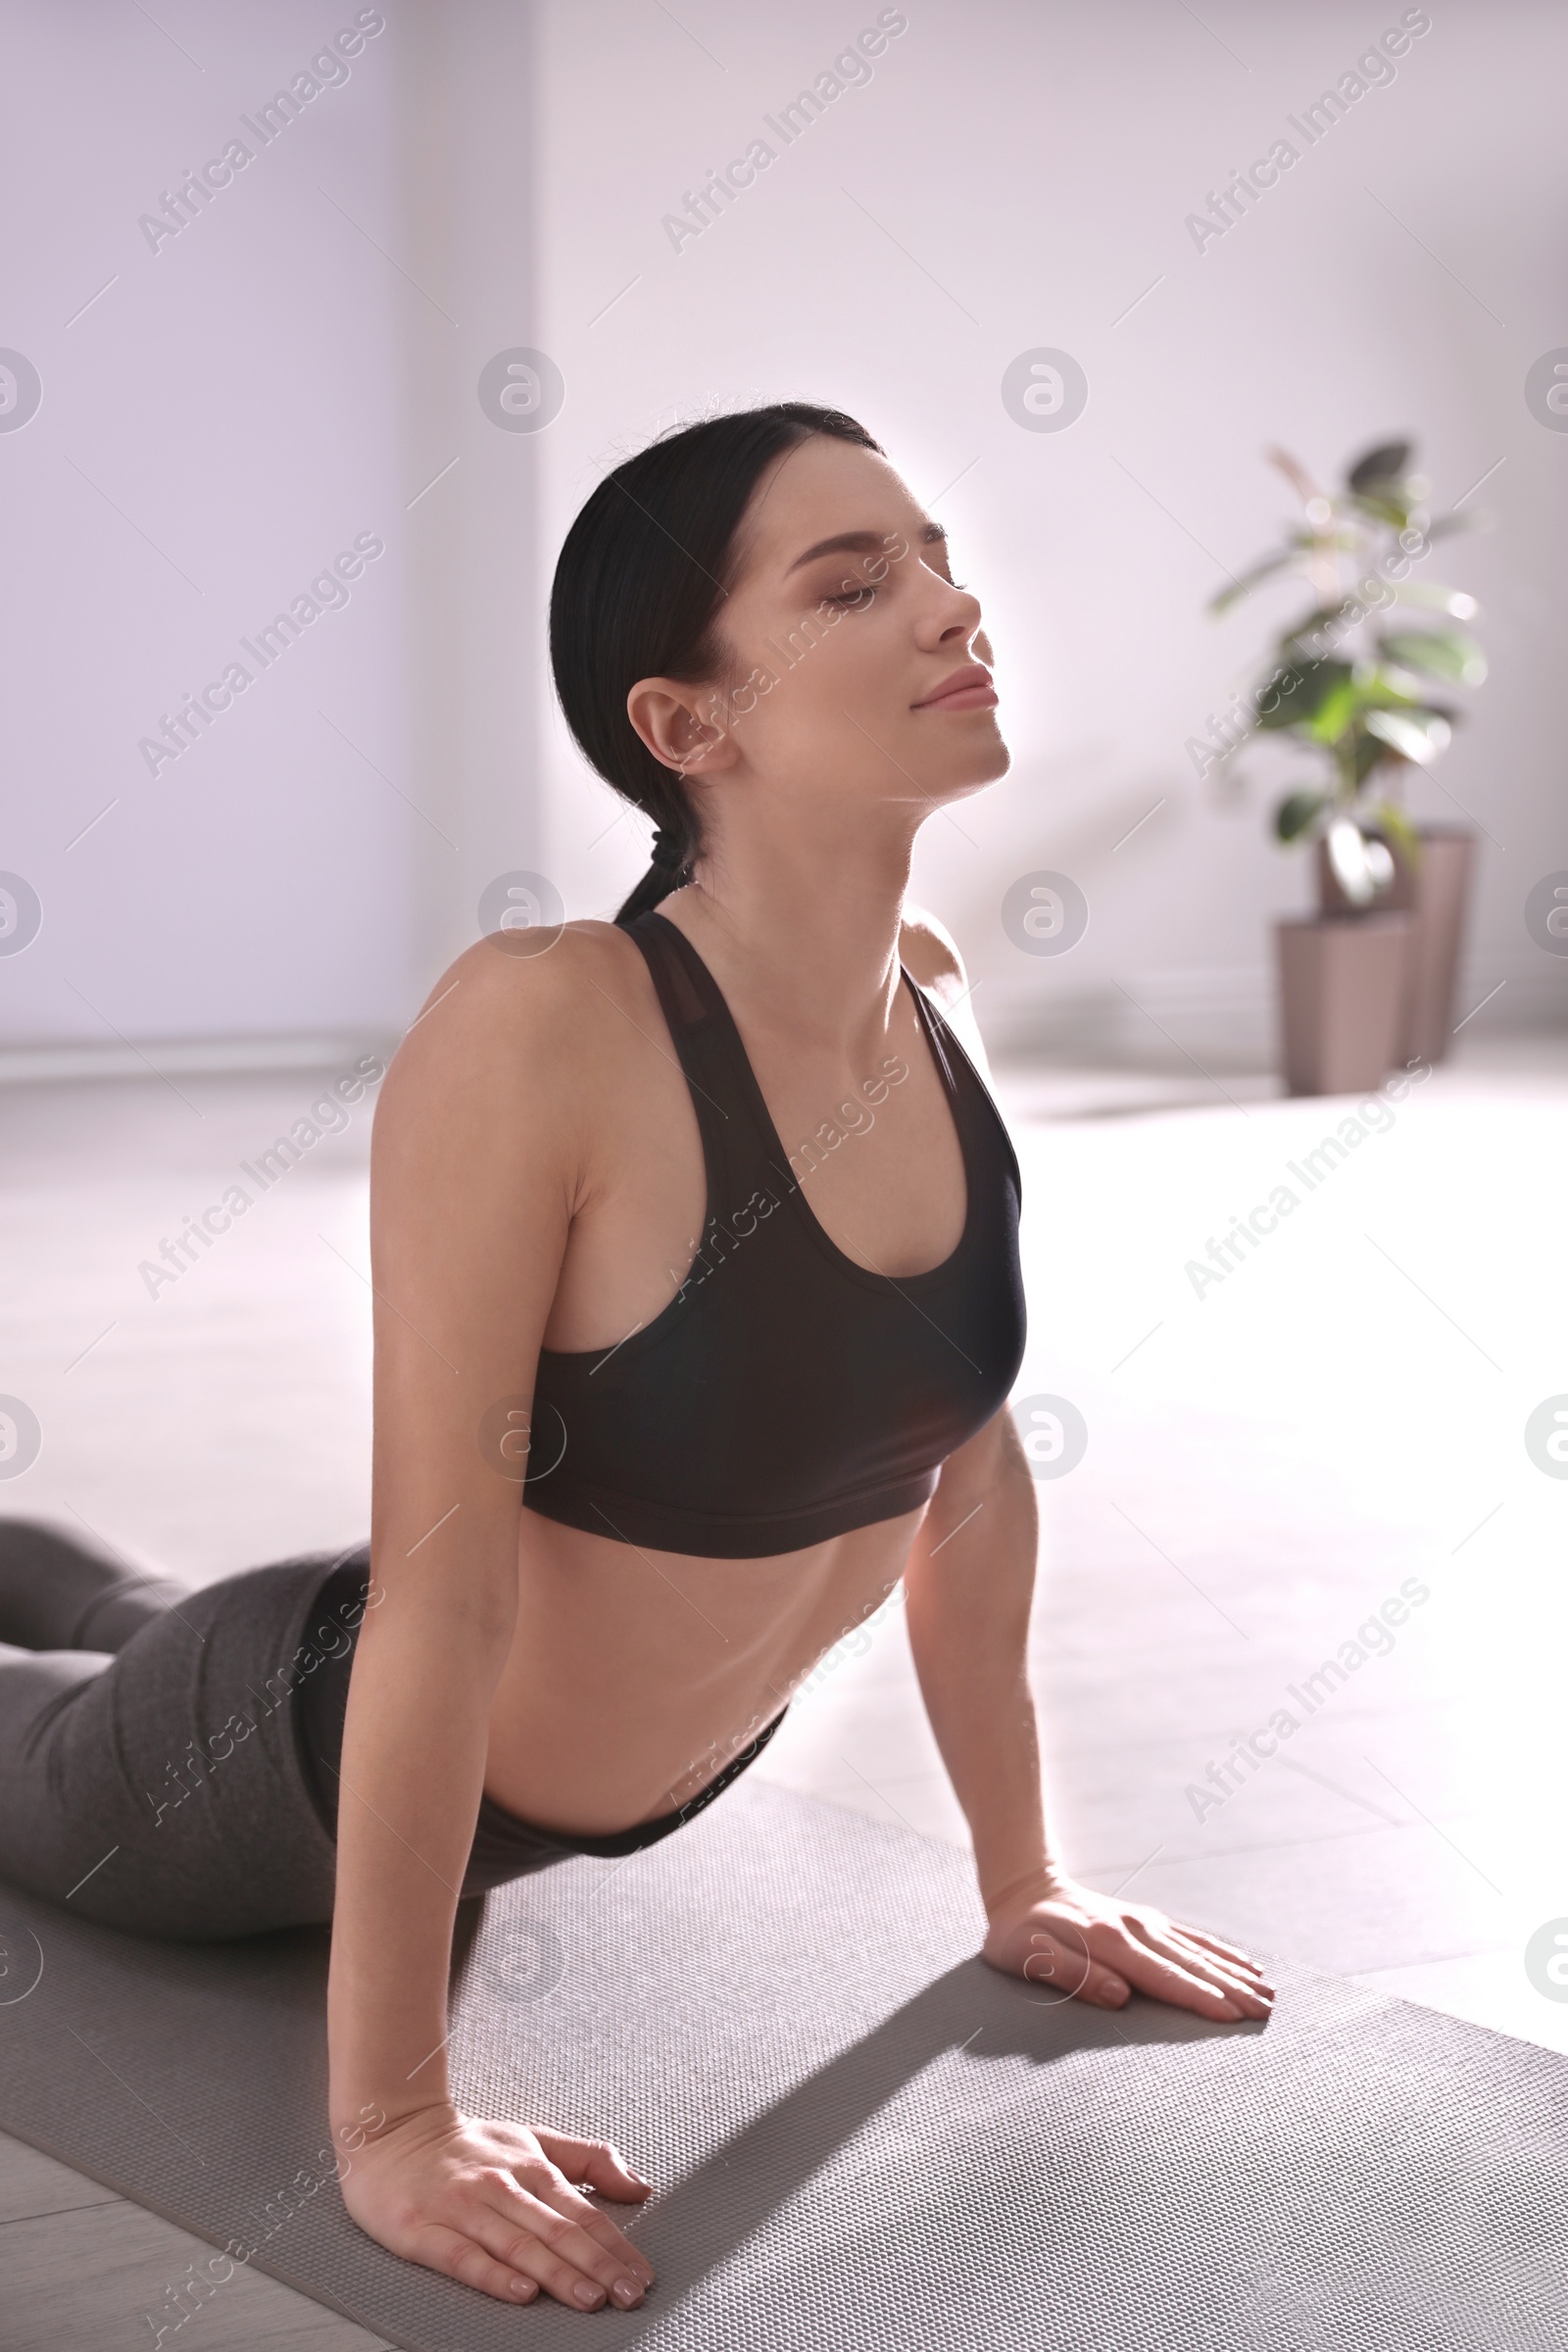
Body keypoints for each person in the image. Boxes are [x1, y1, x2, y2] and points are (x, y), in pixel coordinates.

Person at [0, 402, 1271, 2316]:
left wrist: (1022, 1881)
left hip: (333, 1667)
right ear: (686, 726)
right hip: (259, 1770)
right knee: (70, 1702)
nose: (949, 605)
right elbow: (437, 1598)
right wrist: (392, 2126)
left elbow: (970, 1480)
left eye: (933, 554)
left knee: (103, 1596)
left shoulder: (929, 1001)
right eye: (854, 581)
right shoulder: (542, 1026)